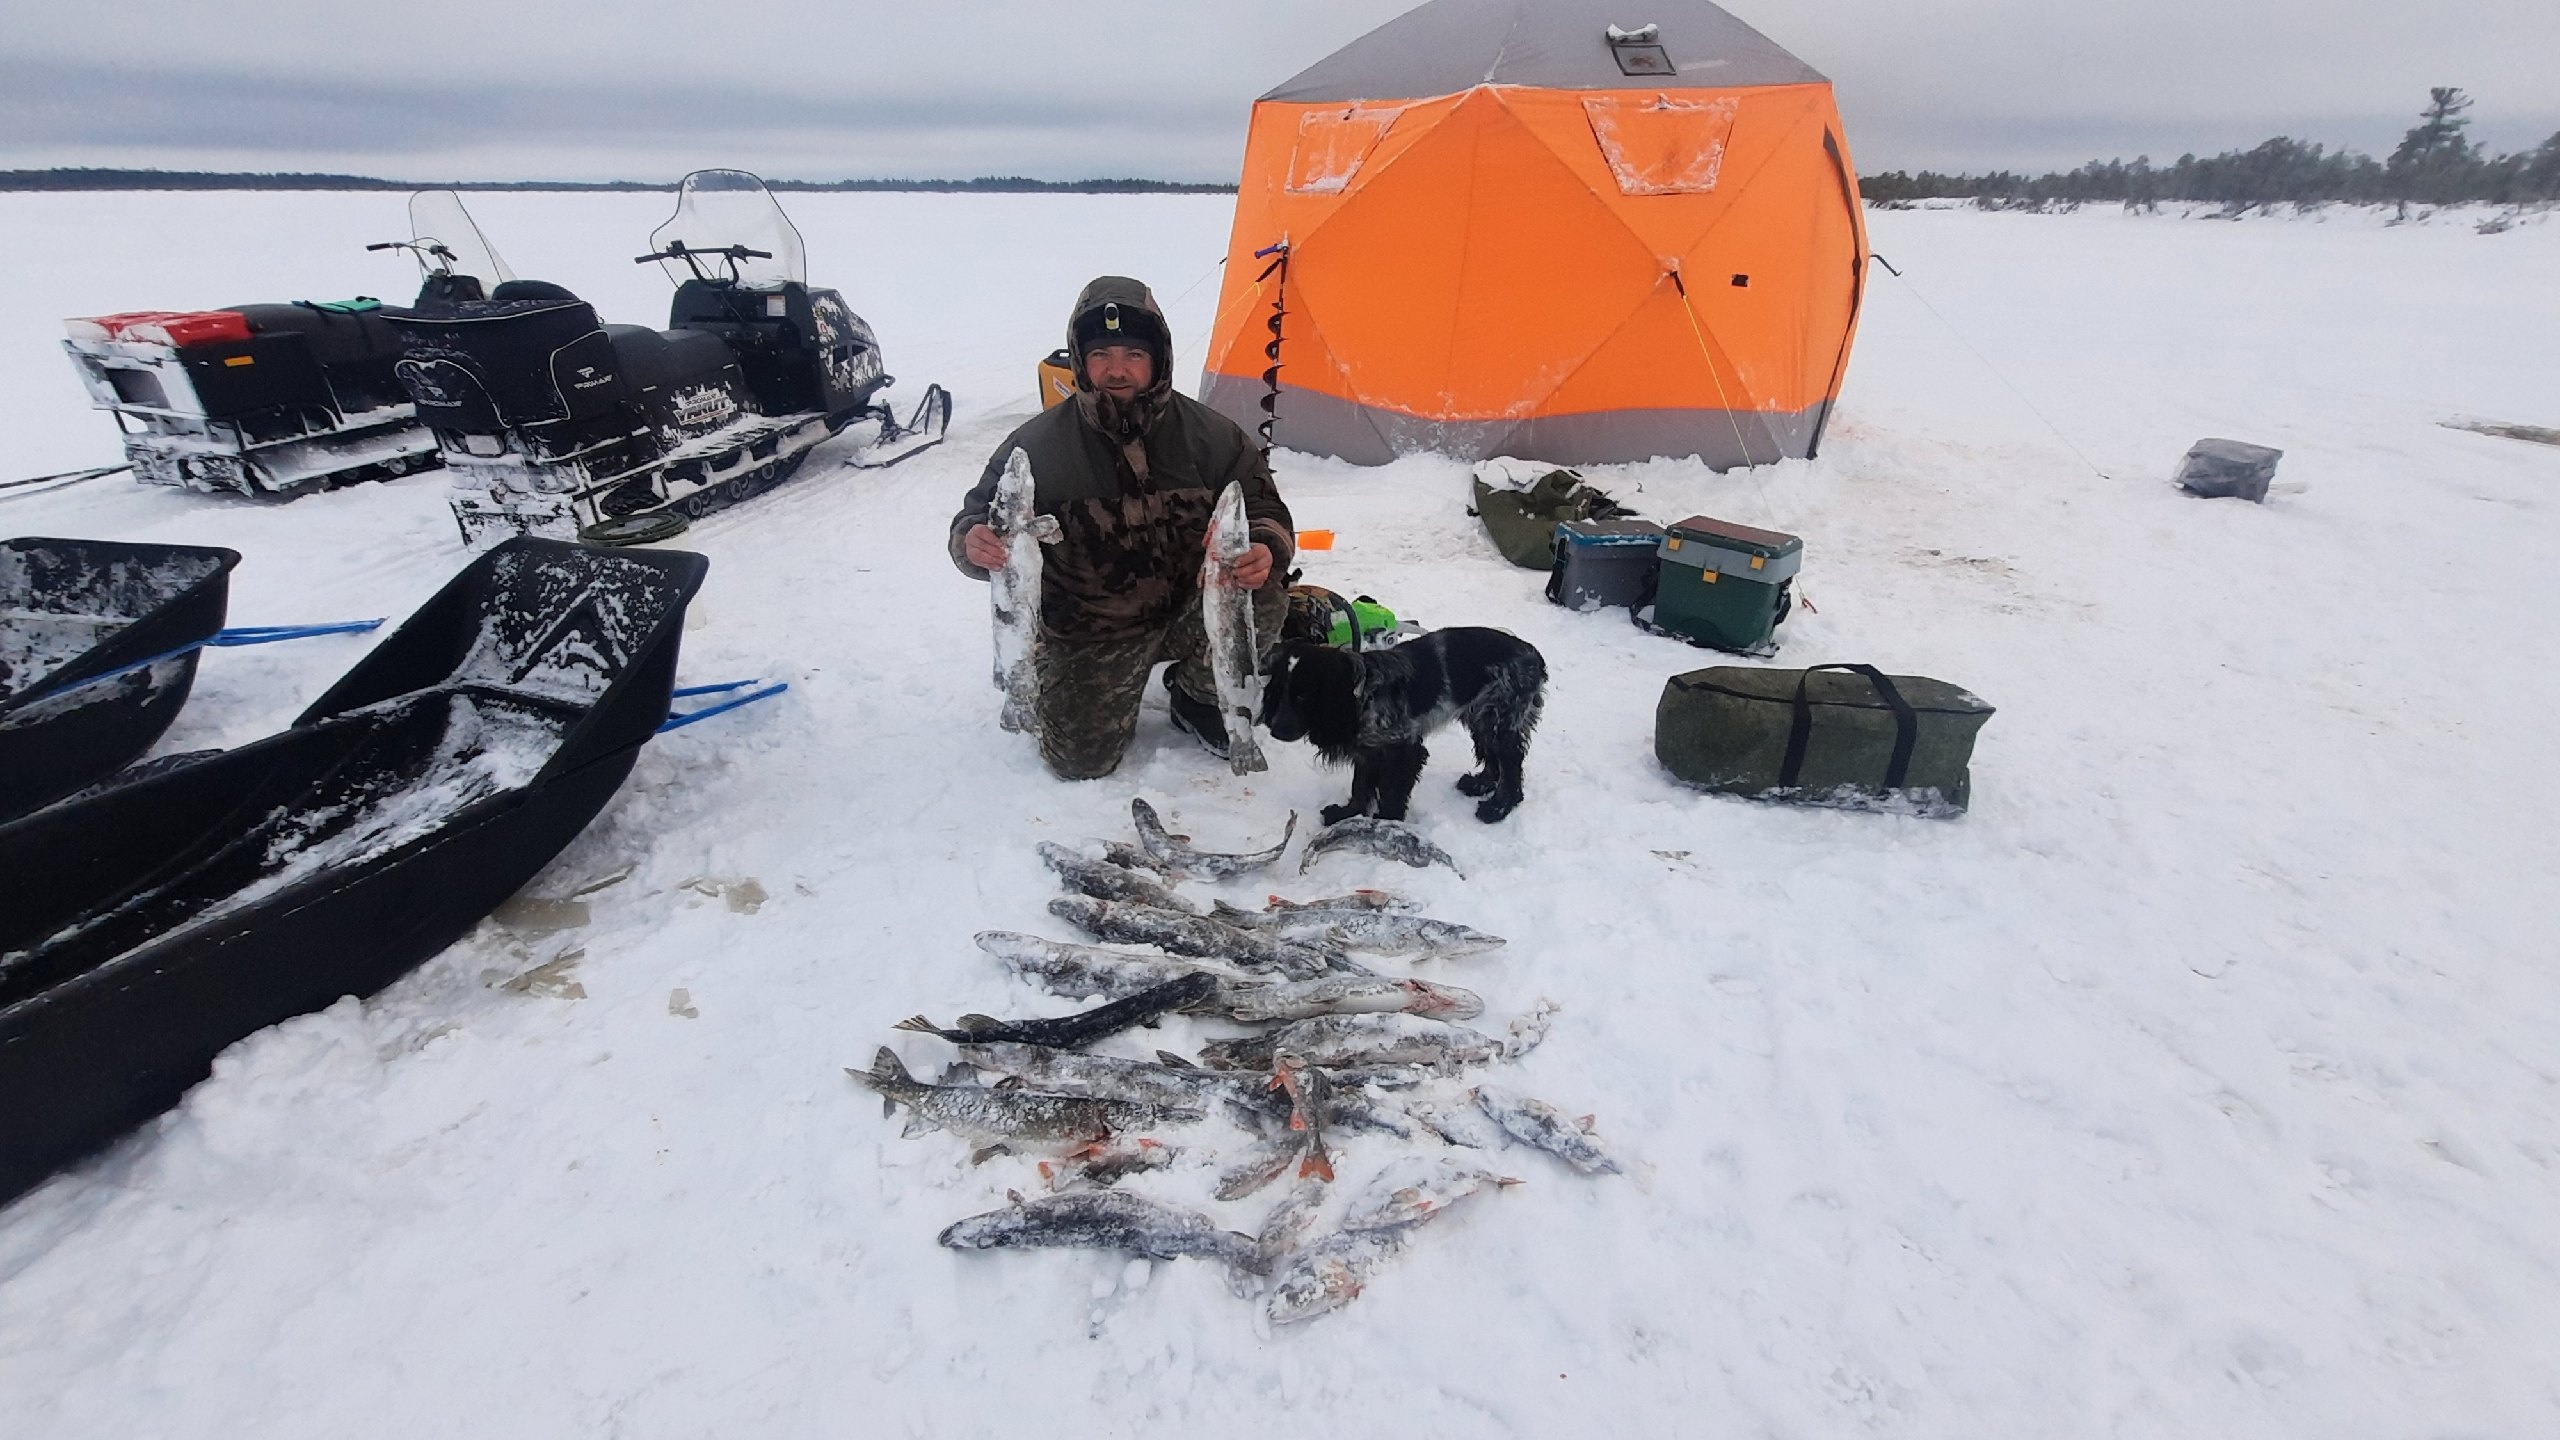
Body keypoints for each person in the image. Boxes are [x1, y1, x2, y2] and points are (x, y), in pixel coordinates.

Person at [950, 276, 1294, 779]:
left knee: (1263, 594)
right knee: (1079, 763)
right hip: (1093, 630)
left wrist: (1264, 546)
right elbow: (977, 517)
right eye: (1101, 355)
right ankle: (1064, 677)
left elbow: (1265, 508)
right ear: (1079, 359)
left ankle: (1196, 696)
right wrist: (972, 543)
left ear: (1158, 358)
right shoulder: (1035, 446)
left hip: (1190, 611)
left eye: (1133, 354)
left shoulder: (1212, 436)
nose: (1117, 370)